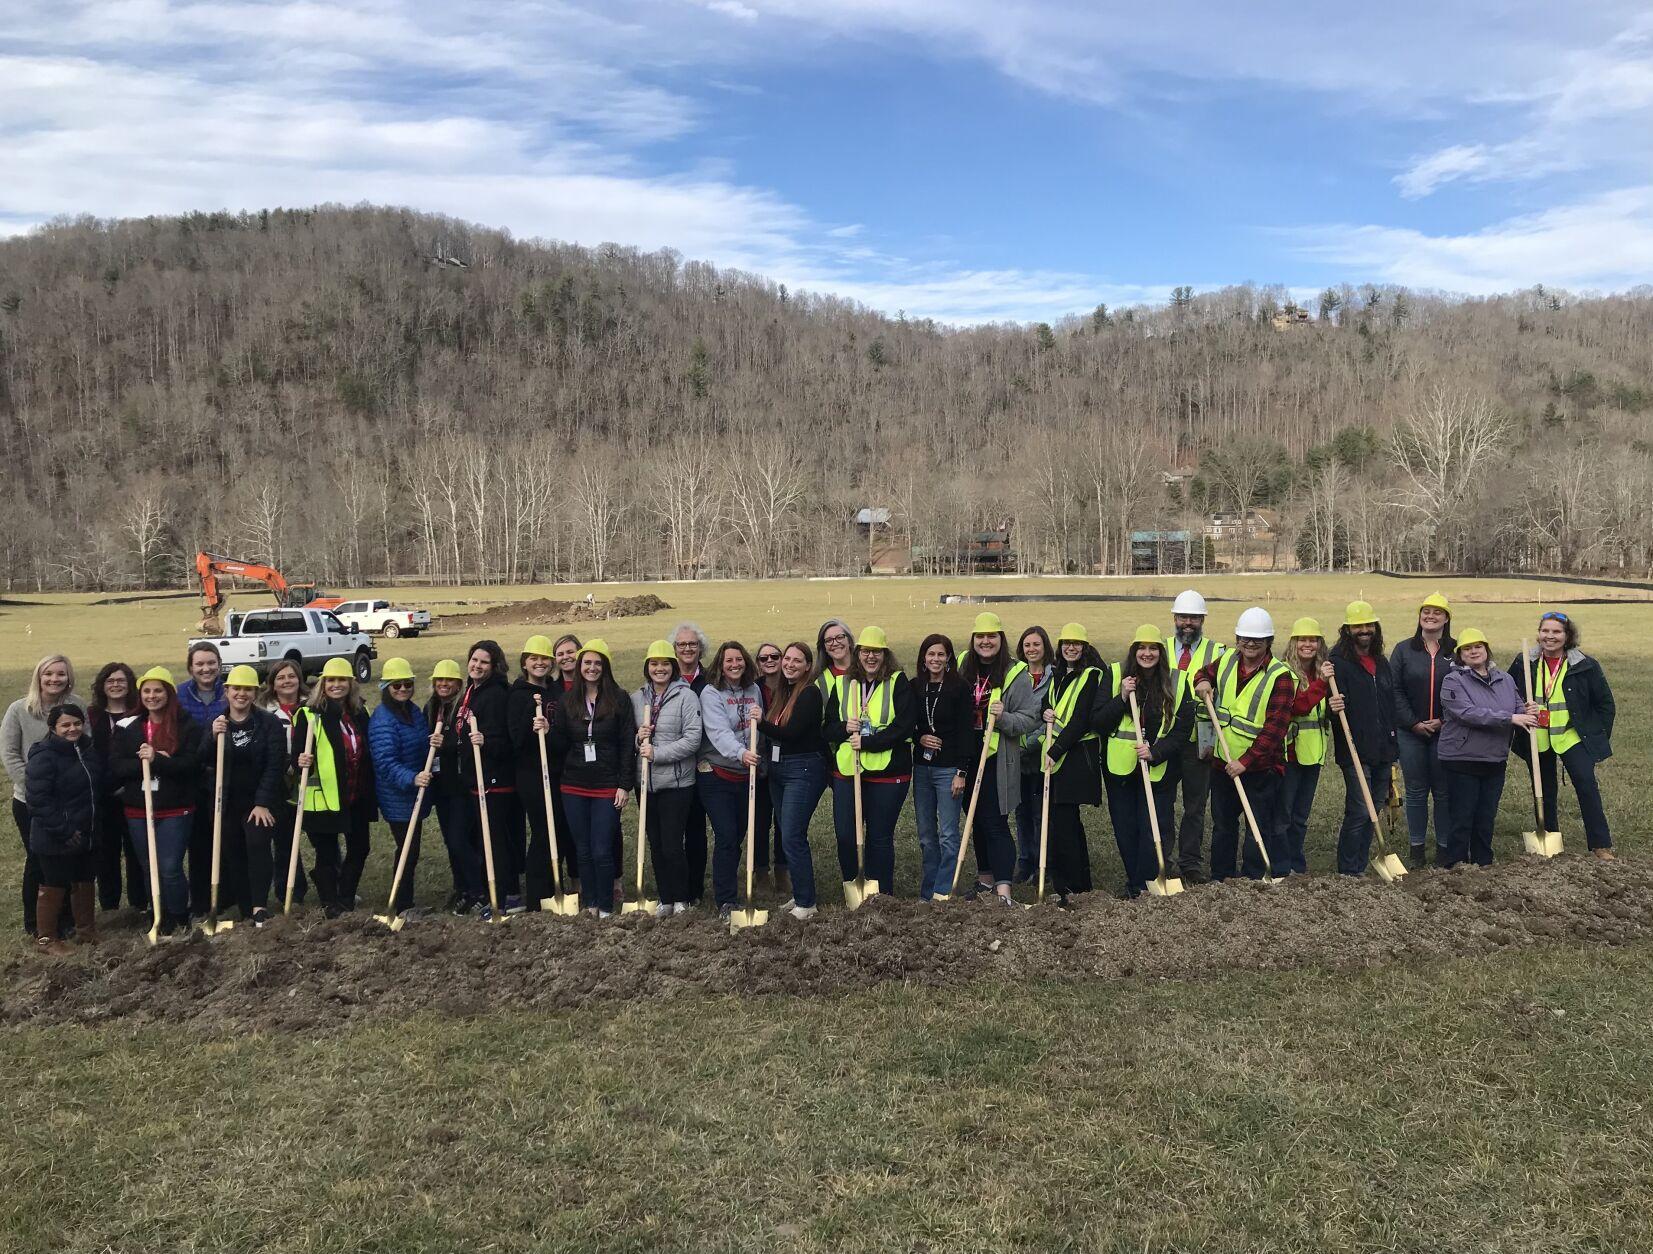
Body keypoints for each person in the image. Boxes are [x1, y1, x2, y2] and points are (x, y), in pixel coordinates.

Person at [1093, 626, 1197, 897]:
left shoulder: (1177, 680)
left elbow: (1183, 729)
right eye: (1142, 648)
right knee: (1126, 829)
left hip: (1159, 769)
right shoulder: (1115, 674)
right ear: (1133, 650)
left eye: (1153, 648)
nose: (1147, 653)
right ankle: (1135, 883)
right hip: (1120, 769)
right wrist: (1122, 698)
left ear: (1160, 653)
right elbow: (1099, 722)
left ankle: (1146, 883)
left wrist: (1156, 752)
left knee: (1153, 829)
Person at [1192, 608, 1292, 881]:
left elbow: (1275, 729)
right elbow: (1202, 673)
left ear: (1269, 641)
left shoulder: (1279, 676)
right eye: (1245, 638)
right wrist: (1202, 681)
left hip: (1260, 768)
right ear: (1237, 638)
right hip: (1222, 763)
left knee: (1258, 826)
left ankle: (1252, 879)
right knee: (1223, 825)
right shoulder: (1225, 661)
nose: (1250, 643)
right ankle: (1221, 878)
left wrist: (1245, 762)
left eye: (1257, 640)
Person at [1508, 612, 1616, 859]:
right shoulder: (1524, 662)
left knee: (1586, 785)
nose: (1550, 636)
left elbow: (1605, 704)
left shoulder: (1585, 665)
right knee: (1543, 789)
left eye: (1556, 632)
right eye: (1545, 631)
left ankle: (1601, 844)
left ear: (1567, 636)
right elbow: (1508, 695)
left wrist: (1596, 737)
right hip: (1538, 736)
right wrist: (1522, 709)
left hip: (1572, 736)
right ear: (1539, 634)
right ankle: (1549, 838)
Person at [110, 667, 203, 935]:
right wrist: (144, 762)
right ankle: (158, 916)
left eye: (158, 690)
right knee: (149, 867)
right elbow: (116, 767)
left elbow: (192, 765)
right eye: (147, 691)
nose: (152, 696)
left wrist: (160, 761)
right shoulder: (128, 726)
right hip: (138, 808)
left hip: (176, 807)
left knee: (170, 867)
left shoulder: (186, 725)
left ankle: (179, 916)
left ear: (169, 693)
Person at [825, 626, 915, 902]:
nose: (870, 657)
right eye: (865, 651)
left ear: (885, 655)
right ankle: (854, 888)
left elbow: (904, 726)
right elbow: (827, 729)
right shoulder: (843, 684)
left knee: (879, 838)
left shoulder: (898, 681)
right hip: (848, 772)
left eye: (876, 652)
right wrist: (844, 728)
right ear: (858, 654)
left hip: (888, 774)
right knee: (846, 836)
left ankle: (883, 894)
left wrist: (868, 743)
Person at [548, 639, 636, 916]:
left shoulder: (619, 698)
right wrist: (546, 730)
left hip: (606, 785)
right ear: (580, 665)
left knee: (601, 849)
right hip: (573, 784)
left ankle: (606, 906)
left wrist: (624, 785)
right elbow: (560, 744)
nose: (592, 668)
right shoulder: (567, 700)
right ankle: (590, 905)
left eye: (598, 663)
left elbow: (625, 744)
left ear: (605, 667)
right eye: (587, 662)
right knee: (582, 849)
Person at [957, 612, 1038, 904]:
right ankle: (985, 880)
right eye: (981, 636)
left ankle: (1003, 888)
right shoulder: (964, 663)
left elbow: (1029, 719)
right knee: (975, 819)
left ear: (1001, 639)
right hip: (967, 754)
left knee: (994, 821)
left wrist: (1003, 717)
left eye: (992, 636)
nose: (986, 642)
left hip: (997, 759)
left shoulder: (1016, 673)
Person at [292, 657, 378, 918]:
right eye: (331, 680)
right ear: (322, 684)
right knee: (327, 854)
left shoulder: (358, 713)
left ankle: (346, 896)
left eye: (342, 680)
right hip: (324, 798)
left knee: (360, 847)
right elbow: (297, 760)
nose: (336, 685)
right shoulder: (309, 714)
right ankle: (330, 903)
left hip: (355, 795)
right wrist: (300, 761)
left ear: (351, 684)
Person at [1438, 631, 1531, 868]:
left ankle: (1483, 863)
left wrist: (1529, 711)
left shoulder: (1506, 680)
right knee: (1462, 817)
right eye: (1467, 648)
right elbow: (1468, 713)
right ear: (1460, 655)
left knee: (1486, 816)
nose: (1473, 651)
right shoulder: (1453, 681)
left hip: (1494, 758)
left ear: (1486, 649)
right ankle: (1456, 865)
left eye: (1478, 646)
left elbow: (1519, 708)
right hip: (1462, 758)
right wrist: (1510, 718)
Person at [4, 655, 78, 939]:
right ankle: (35, 921)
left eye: (60, 674)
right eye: (48, 674)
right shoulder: (19, 710)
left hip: (68, 801)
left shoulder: (76, 706)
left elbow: (86, 744)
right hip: (30, 802)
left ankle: (67, 918)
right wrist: (36, 788)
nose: (54, 679)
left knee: (67, 857)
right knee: (38, 859)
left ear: (68, 677)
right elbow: (10, 753)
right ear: (39, 676)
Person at [208, 665, 287, 925]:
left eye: (248, 689)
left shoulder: (269, 723)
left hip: (260, 802)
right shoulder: (218, 722)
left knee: (257, 845)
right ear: (227, 691)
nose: (241, 694)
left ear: (255, 693)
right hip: (228, 802)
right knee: (233, 851)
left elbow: (276, 764)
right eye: (236, 688)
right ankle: (244, 909)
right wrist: (212, 737)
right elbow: (202, 758)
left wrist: (263, 802)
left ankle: (259, 906)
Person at [1326, 601, 1398, 877]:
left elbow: (1389, 704)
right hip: (1355, 749)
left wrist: (1394, 746)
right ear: (1347, 630)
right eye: (1358, 626)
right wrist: (1333, 708)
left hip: (1383, 748)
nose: (1364, 630)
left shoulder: (1381, 661)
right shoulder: (1338, 663)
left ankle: (1362, 862)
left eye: (1369, 625)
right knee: (1359, 810)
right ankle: (1348, 870)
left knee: (1375, 809)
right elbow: (1333, 711)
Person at [632, 640, 703, 916]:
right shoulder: (637, 699)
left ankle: (682, 898)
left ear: (672, 667)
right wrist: (638, 740)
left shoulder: (686, 696)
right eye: (654, 664)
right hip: (646, 783)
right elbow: (630, 741)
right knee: (656, 843)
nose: (659, 669)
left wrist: (657, 753)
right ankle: (665, 898)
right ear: (647, 667)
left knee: (673, 844)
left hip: (676, 783)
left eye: (664, 664)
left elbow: (693, 739)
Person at [757, 642, 827, 919]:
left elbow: (793, 732)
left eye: (798, 661)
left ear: (808, 666)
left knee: (793, 834)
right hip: (779, 770)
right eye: (787, 659)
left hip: (804, 770)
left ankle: (807, 903)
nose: (789, 664)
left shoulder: (810, 693)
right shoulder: (783, 692)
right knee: (787, 834)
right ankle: (800, 893)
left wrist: (760, 722)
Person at [1033, 624, 1101, 907]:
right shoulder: (1060, 674)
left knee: (1065, 825)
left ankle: (1072, 887)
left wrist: (1056, 750)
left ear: (1085, 647)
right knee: (1064, 825)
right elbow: (1051, 705)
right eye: (1066, 643)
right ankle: (1075, 884)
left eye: (1077, 644)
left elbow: (1082, 718)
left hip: (1073, 757)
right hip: (1056, 757)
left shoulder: (1091, 675)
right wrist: (1044, 710)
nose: (1071, 648)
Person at [24, 703, 101, 954]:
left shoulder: (87, 749)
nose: (72, 729)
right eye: (65, 725)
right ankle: (46, 939)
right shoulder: (43, 755)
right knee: (54, 883)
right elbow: (38, 800)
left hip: (86, 831)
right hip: (55, 836)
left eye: (77, 723)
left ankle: (85, 931)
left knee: (84, 878)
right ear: (53, 728)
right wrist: (64, 830)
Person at [697, 641, 764, 920]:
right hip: (717, 773)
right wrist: (741, 753)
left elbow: (757, 728)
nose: (735, 665)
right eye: (729, 661)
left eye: (739, 660)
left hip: (745, 774)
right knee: (726, 835)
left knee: (737, 835)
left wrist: (753, 748)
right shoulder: (711, 693)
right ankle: (726, 899)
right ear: (720, 666)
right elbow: (717, 731)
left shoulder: (754, 690)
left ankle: (733, 887)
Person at [454, 640, 520, 915]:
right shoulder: (472, 690)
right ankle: (490, 891)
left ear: (494, 667)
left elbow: (506, 740)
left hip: (495, 781)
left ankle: (506, 897)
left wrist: (487, 742)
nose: (477, 666)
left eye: (483, 662)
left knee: (496, 841)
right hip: (474, 778)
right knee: (484, 839)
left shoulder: (495, 695)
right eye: (474, 660)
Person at [1391, 592, 1456, 868]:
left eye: (1437, 612)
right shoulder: (1404, 650)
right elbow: (1394, 689)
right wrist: (1413, 723)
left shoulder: (1456, 650)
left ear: (1446, 618)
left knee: (1443, 792)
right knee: (1416, 791)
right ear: (1419, 617)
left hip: (1447, 732)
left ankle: (1443, 848)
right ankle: (1417, 848)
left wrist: (1443, 720)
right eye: (1425, 612)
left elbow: (1465, 689)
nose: (1430, 617)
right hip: (1411, 732)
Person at [368, 658, 434, 918]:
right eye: (397, 686)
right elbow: (385, 762)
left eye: (407, 684)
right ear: (386, 687)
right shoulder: (383, 719)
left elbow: (420, 743)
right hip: (397, 796)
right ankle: (402, 905)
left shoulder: (413, 711)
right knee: (408, 849)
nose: (403, 689)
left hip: (414, 794)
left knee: (412, 848)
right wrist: (412, 778)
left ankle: (405, 901)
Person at [1166, 590, 1223, 883]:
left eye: (1194, 618)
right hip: (1165, 739)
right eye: (1183, 617)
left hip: (1199, 739)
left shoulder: (1219, 652)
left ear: (1202, 620)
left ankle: (1190, 861)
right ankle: (1162, 859)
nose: (1188, 623)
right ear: (1175, 618)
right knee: (1162, 802)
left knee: (1195, 805)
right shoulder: (1159, 649)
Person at [910, 633, 970, 901]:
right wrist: (918, 737)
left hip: (949, 770)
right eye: (931, 654)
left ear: (948, 658)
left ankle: (943, 891)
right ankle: (928, 890)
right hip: (922, 768)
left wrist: (961, 772)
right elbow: (907, 723)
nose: (935, 659)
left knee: (948, 833)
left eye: (941, 654)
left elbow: (966, 731)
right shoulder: (915, 686)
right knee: (925, 834)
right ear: (924, 658)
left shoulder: (959, 687)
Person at [424, 659, 485, 914]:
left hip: (462, 787)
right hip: (441, 787)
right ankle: (461, 888)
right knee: (451, 841)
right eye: (439, 680)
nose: (443, 684)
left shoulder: (463, 709)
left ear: (459, 684)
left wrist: (445, 742)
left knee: (460, 839)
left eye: (449, 680)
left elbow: (463, 743)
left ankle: (480, 889)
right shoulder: (431, 708)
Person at [86, 661, 146, 913]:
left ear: (130, 684)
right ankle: (109, 904)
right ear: (102, 685)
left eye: (121, 680)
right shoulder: (92, 715)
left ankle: (139, 901)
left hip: (133, 791)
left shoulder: (140, 714)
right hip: (102, 794)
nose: (116, 685)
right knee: (106, 851)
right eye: (110, 681)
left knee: (135, 848)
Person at [508, 635, 559, 911]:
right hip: (531, 774)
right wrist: (532, 724)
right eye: (534, 658)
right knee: (542, 831)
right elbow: (515, 739)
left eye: (544, 658)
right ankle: (537, 897)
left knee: (557, 830)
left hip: (557, 771)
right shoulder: (517, 695)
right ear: (525, 663)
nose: (540, 663)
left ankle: (553, 889)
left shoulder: (555, 692)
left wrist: (550, 731)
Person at [177, 641, 228, 919]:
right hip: (193, 779)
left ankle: (226, 898)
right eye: (200, 664)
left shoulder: (229, 692)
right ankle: (199, 902)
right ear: (191, 667)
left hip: (225, 776)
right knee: (198, 844)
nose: (206, 669)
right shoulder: (179, 694)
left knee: (225, 839)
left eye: (211, 663)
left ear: (219, 664)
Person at [256, 658, 310, 907]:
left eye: (291, 676)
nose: (287, 681)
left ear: (300, 679)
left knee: (323, 836)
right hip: (279, 782)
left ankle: (333, 884)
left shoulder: (313, 706)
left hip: (311, 779)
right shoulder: (264, 711)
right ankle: (289, 891)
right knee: (285, 839)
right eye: (280, 678)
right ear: (272, 684)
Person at [1280, 620, 1331, 876]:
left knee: (1301, 816)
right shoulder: (1285, 672)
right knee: (1285, 814)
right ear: (1294, 643)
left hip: (1313, 754)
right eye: (1302, 639)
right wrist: (1322, 685)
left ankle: (1296, 863)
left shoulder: (1324, 674)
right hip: (1289, 754)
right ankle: (1281, 862)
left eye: (1313, 640)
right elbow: (1298, 706)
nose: (1308, 644)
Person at [672, 622, 712, 904]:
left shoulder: (710, 681)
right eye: (682, 644)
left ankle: (695, 889)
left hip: (703, 765)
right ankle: (676, 886)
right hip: (672, 766)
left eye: (692, 644)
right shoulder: (665, 678)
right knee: (674, 830)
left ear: (701, 649)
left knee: (696, 829)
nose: (687, 649)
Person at [1011, 625, 1054, 883]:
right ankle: (1025, 861)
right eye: (1027, 645)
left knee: (1041, 812)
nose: (1031, 649)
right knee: (1022, 812)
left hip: (1041, 755)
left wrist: (1032, 741)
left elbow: (1052, 714)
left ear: (1045, 647)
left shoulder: (1054, 676)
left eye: (1036, 644)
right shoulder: (1016, 675)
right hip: (1016, 758)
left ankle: (1043, 864)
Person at [753, 641, 787, 893]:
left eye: (774, 656)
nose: (770, 661)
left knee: (784, 819)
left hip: (785, 760)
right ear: (758, 663)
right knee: (760, 819)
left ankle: (783, 870)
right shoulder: (753, 689)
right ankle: (761, 872)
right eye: (764, 658)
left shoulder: (792, 687)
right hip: (759, 762)